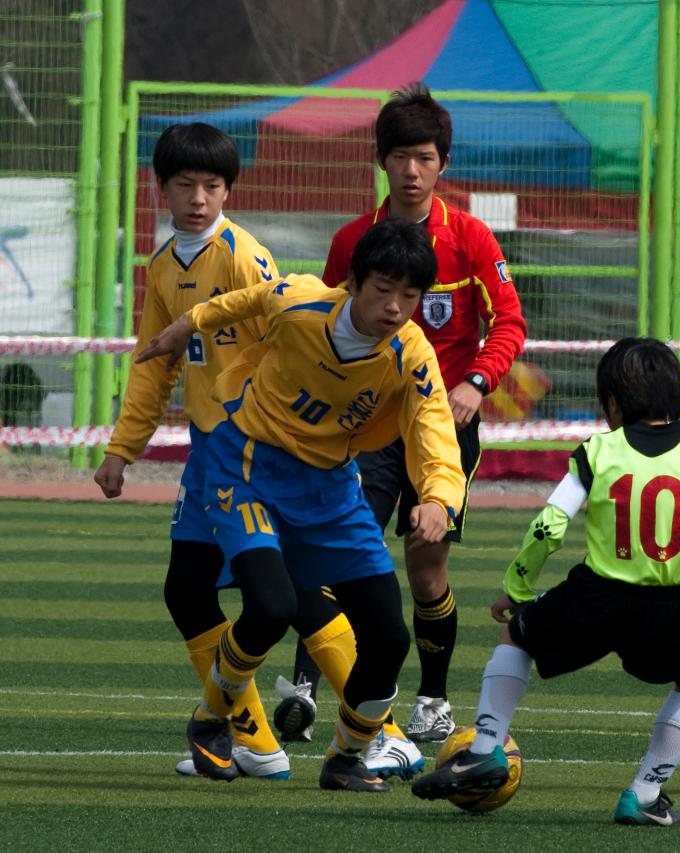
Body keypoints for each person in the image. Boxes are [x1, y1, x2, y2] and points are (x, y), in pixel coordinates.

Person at [409, 338, 680, 826]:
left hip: (595, 594)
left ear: (612, 403)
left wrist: (518, 584)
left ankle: (485, 747)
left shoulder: (598, 450)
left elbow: (550, 524)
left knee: (517, 635)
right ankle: (645, 793)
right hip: (670, 606)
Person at [134, 218, 466, 792]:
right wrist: (183, 326)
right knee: (271, 606)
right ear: (354, 283)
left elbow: (435, 432)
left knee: (389, 637)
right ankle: (213, 717)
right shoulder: (302, 303)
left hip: (332, 491)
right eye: (383, 289)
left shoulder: (411, 354)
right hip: (248, 470)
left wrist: (439, 499)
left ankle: (346, 758)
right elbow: (247, 299)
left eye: (409, 295)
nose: (394, 306)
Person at [276, 82, 527, 747]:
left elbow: (510, 323)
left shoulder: (471, 239)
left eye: (424, 157)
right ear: (381, 162)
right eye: (399, 158)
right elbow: (320, 322)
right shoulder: (354, 240)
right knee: (337, 549)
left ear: (443, 163)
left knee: (426, 564)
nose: (411, 171)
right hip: (365, 424)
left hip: (444, 428)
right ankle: (304, 687)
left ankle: (434, 700)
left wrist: (477, 381)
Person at [93, 122, 289, 780]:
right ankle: (256, 739)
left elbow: (286, 342)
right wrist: (123, 449)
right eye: (186, 184)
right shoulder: (162, 265)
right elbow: (155, 366)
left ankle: (372, 732)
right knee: (188, 589)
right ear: (162, 190)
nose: (199, 197)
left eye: (213, 185)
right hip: (212, 449)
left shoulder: (242, 256)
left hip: (259, 447)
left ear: (229, 190)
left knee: (296, 593)